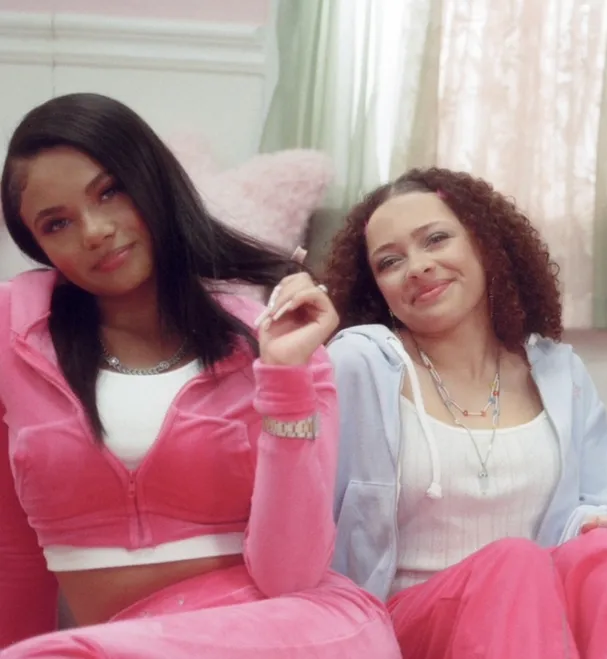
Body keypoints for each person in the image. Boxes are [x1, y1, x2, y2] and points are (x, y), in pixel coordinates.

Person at [0, 93, 399, 657]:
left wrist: (285, 379)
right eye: (57, 223)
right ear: (38, 246)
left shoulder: (276, 338)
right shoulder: (14, 336)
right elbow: (13, 553)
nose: (94, 231)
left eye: (110, 191)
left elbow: (290, 575)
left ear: (152, 180)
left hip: (285, 634)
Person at [322, 167, 607, 658]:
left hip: (540, 623)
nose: (418, 267)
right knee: (514, 561)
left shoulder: (559, 371)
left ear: (483, 243)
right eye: (390, 262)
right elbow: (311, 522)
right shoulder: (359, 364)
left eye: (436, 239)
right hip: (405, 628)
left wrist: (596, 524)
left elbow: (597, 506)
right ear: (376, 287)